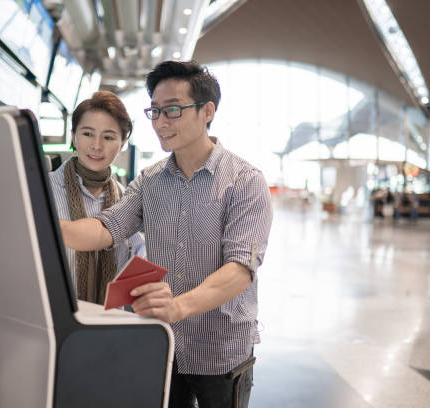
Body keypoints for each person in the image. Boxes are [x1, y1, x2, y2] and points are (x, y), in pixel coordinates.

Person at [59, 60, 273, 408]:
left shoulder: (245, 181)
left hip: (220, 350)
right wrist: (49, 227)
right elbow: (106, 228)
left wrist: (177, 307)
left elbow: (240, 270)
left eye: (172, 110)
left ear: (207, 111)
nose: (160, 123)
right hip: (165, 343)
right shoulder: (150, 181)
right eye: (155, 111)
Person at [49, 91, 145, 304]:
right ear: (73, 135)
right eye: (87, 134)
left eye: (108, 137)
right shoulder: (42, 190)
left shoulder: (127, 200)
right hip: (50, 316)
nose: (96, 145)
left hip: (107, 322)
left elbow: (138, 261)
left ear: (122, 143)